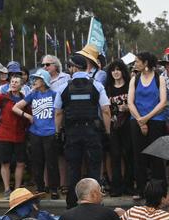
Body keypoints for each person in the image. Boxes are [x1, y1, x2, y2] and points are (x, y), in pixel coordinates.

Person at [57, 54, 112, 208]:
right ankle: (95, 204)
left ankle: (72, 205)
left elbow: (58, 113)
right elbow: (106, 110)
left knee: (73, 169)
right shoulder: (97, 85)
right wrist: (107, 132)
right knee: (94, 168)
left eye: (70, 66)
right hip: (92, 132)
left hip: (72, 133)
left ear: (74, 67)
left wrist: (57, 132)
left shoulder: (63, 87)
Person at [127, 52, 169, 202]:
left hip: (156, 120)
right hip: (137, 120)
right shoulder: (134, 79)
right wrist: (140, 120)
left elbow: (163, 102)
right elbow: (130, 102)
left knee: (156, 157)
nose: (135, 64)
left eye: (137, 61)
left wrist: (146, 118)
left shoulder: (160, 79)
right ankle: (141, 189)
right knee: (139, 156)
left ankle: (160, 191)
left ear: (145, 63)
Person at [15, 70, 59, 198]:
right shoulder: (32, 94)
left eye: (37, 79)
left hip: (50, 132)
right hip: (35, 132)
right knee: (37, 162)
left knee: (52, 163)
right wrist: (27, 115)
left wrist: (57, 128)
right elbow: (16, 107)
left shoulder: (53, 94)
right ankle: (40, 188)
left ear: (44, 81)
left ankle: (54, 189)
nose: (34, 81)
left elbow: (59, 111)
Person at [0, 73, 28, 197]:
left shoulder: (25, 99)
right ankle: (7, 189)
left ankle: (17, 189)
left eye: (16, 82)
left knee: (20, 163)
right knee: (5, 163)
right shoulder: (4, 97)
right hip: (4, 135)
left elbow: (29, 115)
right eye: (12, 82)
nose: (13, 83)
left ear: (22, 85)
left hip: (20, 135)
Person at [103, 59, 132, 197]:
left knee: (129, 155)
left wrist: (128, 108)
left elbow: (136, 104)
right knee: (115, 155)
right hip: (114, 125)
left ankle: (129, 185)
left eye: (118, 69)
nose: (115, 72)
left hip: (128, 123)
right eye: (113, 70)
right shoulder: (108, 87)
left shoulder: (130, 86)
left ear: (123, 71)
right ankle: (116, 187)